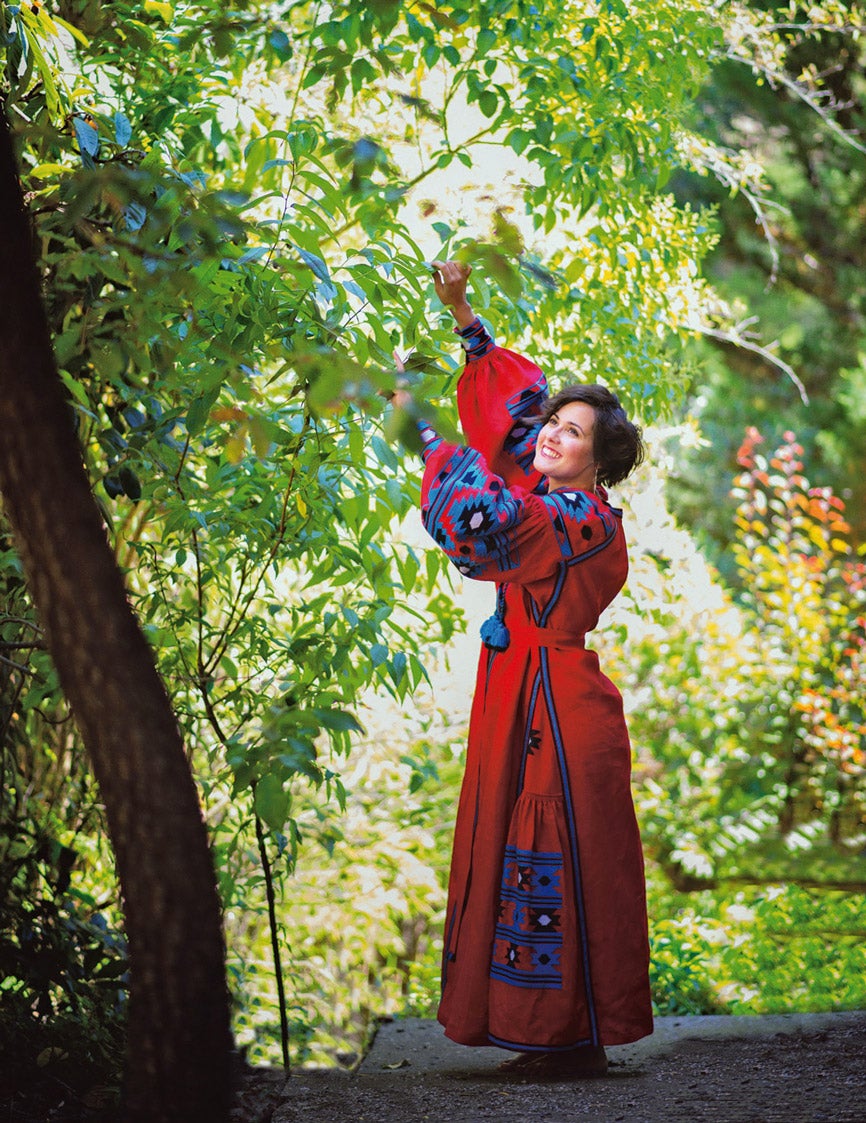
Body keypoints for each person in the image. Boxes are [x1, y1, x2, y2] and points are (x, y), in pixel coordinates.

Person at [415, 259, 653, 1078]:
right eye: (556, 421)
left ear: (598, 460)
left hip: (556, 706)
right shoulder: (552, 482)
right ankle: (549, 1029)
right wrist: (462, 313)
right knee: (535, 846)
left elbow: (489, 521)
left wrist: (424, 436)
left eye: (573, 431)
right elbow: (509, 420)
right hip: (524, 692)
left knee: (547, 849)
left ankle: (561, 1035)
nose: (552, 432)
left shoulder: (579, 518)